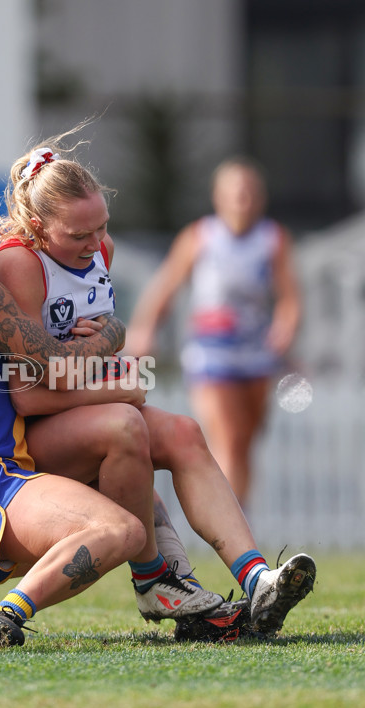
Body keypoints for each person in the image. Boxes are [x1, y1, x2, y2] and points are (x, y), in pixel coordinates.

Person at [0, 134, 315, 639]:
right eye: (78, 235)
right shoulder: (18, 264)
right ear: (36, 227)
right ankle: (153, 578)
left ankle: (258, 579)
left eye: (102, 227)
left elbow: (92, 351)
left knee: (184, 431)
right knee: (126, 420)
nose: (96, 245)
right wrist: (115, 386)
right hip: (25, 440)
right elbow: (26, 395)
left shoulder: (101, 248)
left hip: (80, 413)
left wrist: (109, 357)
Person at [0, 175, 229, 649]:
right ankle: (3, 617)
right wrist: (113, 332)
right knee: (121, 529)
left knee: (126, 443)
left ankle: (177, 588)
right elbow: (56, 367)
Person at [126, 157, 301, 508]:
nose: (244, 202)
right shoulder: (199, 237)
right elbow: (165, 287)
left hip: (255, 353)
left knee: (245, 443)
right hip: (210, 353)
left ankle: (239, 521)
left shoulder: (273, 239)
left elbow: (289, 298)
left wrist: (285, 328)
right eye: (237, 194)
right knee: (230, 440)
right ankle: (233, 539)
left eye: (251, 194)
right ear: (219, 198)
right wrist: (144, 329)